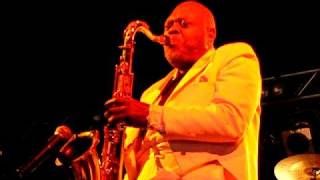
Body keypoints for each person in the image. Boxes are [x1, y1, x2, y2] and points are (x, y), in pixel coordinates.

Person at [104, 1, 262, 179]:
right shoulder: (151, 93)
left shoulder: (233, 55)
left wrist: (150, 115)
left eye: (184, 24)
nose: (172, 29)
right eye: (168, 25)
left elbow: (231, 120)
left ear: (210, 35)